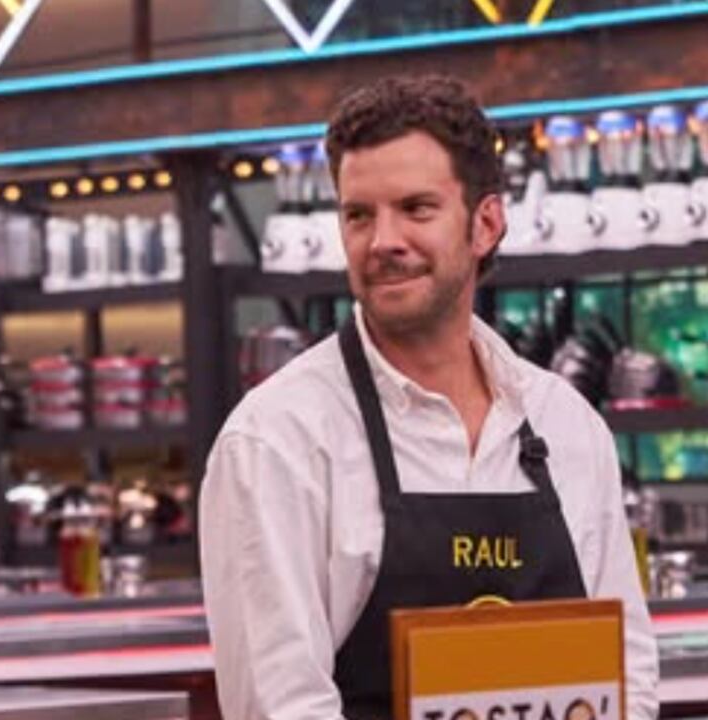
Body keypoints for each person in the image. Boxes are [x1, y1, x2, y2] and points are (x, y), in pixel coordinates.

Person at [199, 75, 658, 719]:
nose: (383, 240)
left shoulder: (567, 425)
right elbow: (281, 707)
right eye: (359, 215)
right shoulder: (277, 441)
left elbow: (624, 672)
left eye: (416, 208)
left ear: (486, 223)